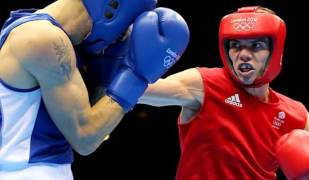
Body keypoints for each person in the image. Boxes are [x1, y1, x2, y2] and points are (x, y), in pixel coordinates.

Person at [0, 0, 189, 179]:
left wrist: (105, 79)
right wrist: (135, 76)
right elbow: (86, 137)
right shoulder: (43, 39)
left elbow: (99, 126)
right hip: (29, 171)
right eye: (125, 29)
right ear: (112, 5)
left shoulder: (28, 27)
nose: (122, 37)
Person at [136, 6, 309, 179]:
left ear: (276, 50)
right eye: (236, 45)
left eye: (256, 45)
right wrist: (118, 63)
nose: (244, 54)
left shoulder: (296, 114)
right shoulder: (205, 83)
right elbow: (140, 91)